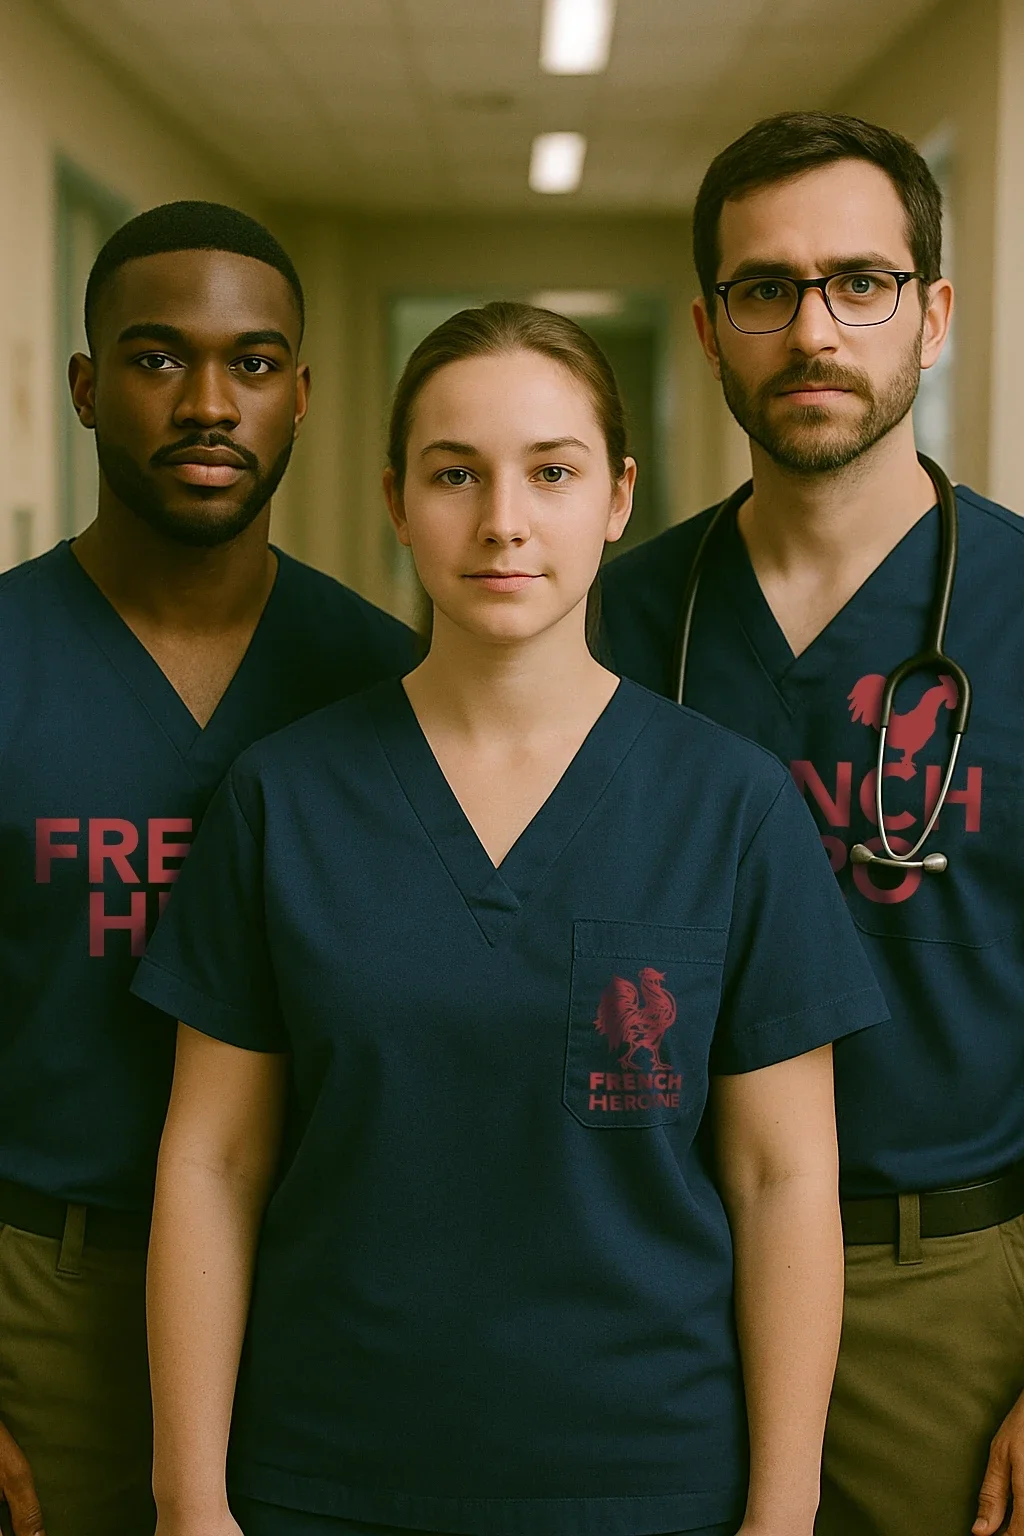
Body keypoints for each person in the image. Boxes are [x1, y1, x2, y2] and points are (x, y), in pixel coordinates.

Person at [132, 300, 888, 1536]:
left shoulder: (729, 804)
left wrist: (783, 1510)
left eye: (551, 471)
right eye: (453, 474)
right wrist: (189, 1497)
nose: (502, 522)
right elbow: (212, 1165)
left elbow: (780, 1177)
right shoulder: (284, 796)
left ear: (617, 497)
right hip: (325, 1472)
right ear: (394, 502)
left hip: (649, 1481)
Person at [600, 110, 1024, 1536]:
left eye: (862, 282)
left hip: (940, 1291)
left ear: (935, 314)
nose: (815, 331)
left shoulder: (1020, 609)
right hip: (654, 1268)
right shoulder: (620, 614)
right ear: (713, 331)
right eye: (765, 291)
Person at [0, 200, 417, 1536]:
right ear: (83, 387)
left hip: (311, 1297)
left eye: (250, 363)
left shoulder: (380, 681)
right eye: (157, 356)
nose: (206, 401)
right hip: (42, 1297)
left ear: (301, 396)